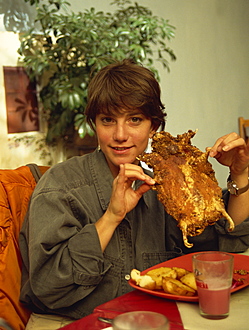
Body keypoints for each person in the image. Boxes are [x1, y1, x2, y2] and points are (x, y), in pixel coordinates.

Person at [19, 59, 249, 329]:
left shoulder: (163, 186)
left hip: (144, 319)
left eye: (135, 120)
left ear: (153, 127)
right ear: (94, 124)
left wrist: (240, 174)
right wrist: (112, 216)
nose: (120, 135)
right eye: (108, 120)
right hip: (66, 321)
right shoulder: (60, 186)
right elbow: (49, 286)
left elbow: (222, 244)